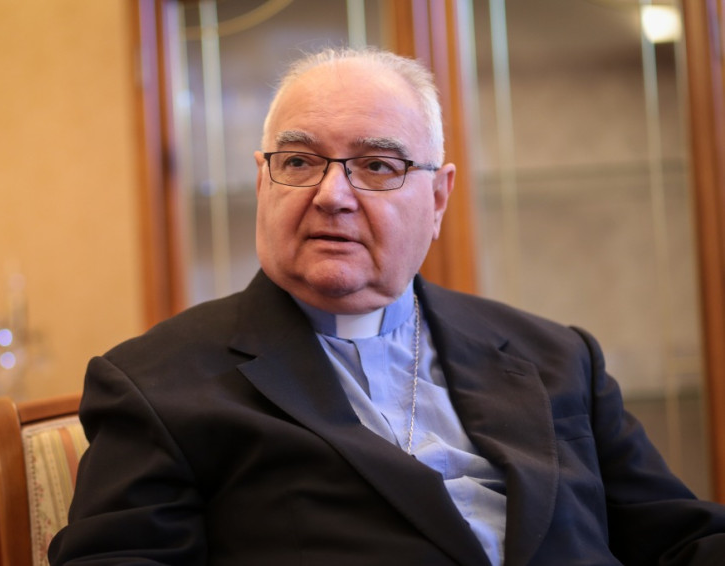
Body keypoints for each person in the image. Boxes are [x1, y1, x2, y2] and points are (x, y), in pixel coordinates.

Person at [48, 47, 725, 565]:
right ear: (263, 182)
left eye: (377, 165)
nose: (332, 196)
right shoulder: (155, 386)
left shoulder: (559, 357)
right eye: (299, 162)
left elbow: (683, 540)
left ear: (438, 198)